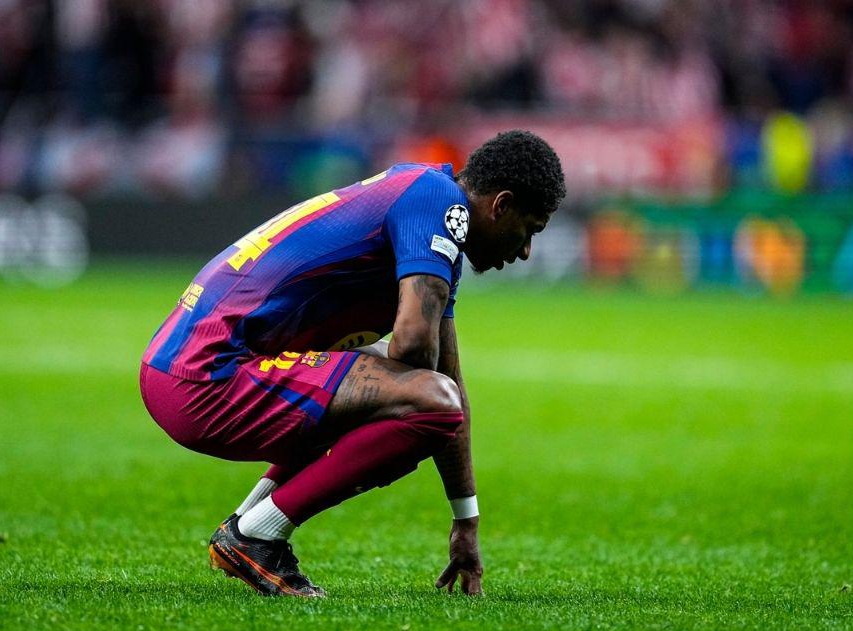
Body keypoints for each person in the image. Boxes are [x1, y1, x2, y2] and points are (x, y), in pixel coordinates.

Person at [139, 130, 566, 598]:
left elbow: (447, 380)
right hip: (206, 378)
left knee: (417, 391)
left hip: (179, 366)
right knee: (424, 399)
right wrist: (395, 397)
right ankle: (255, 536)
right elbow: (419, 357)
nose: (525, 251)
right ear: (501, 205)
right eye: (531, 229)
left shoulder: (425, 199)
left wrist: (466, 520)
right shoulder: (438, 203)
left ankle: (247, 525)